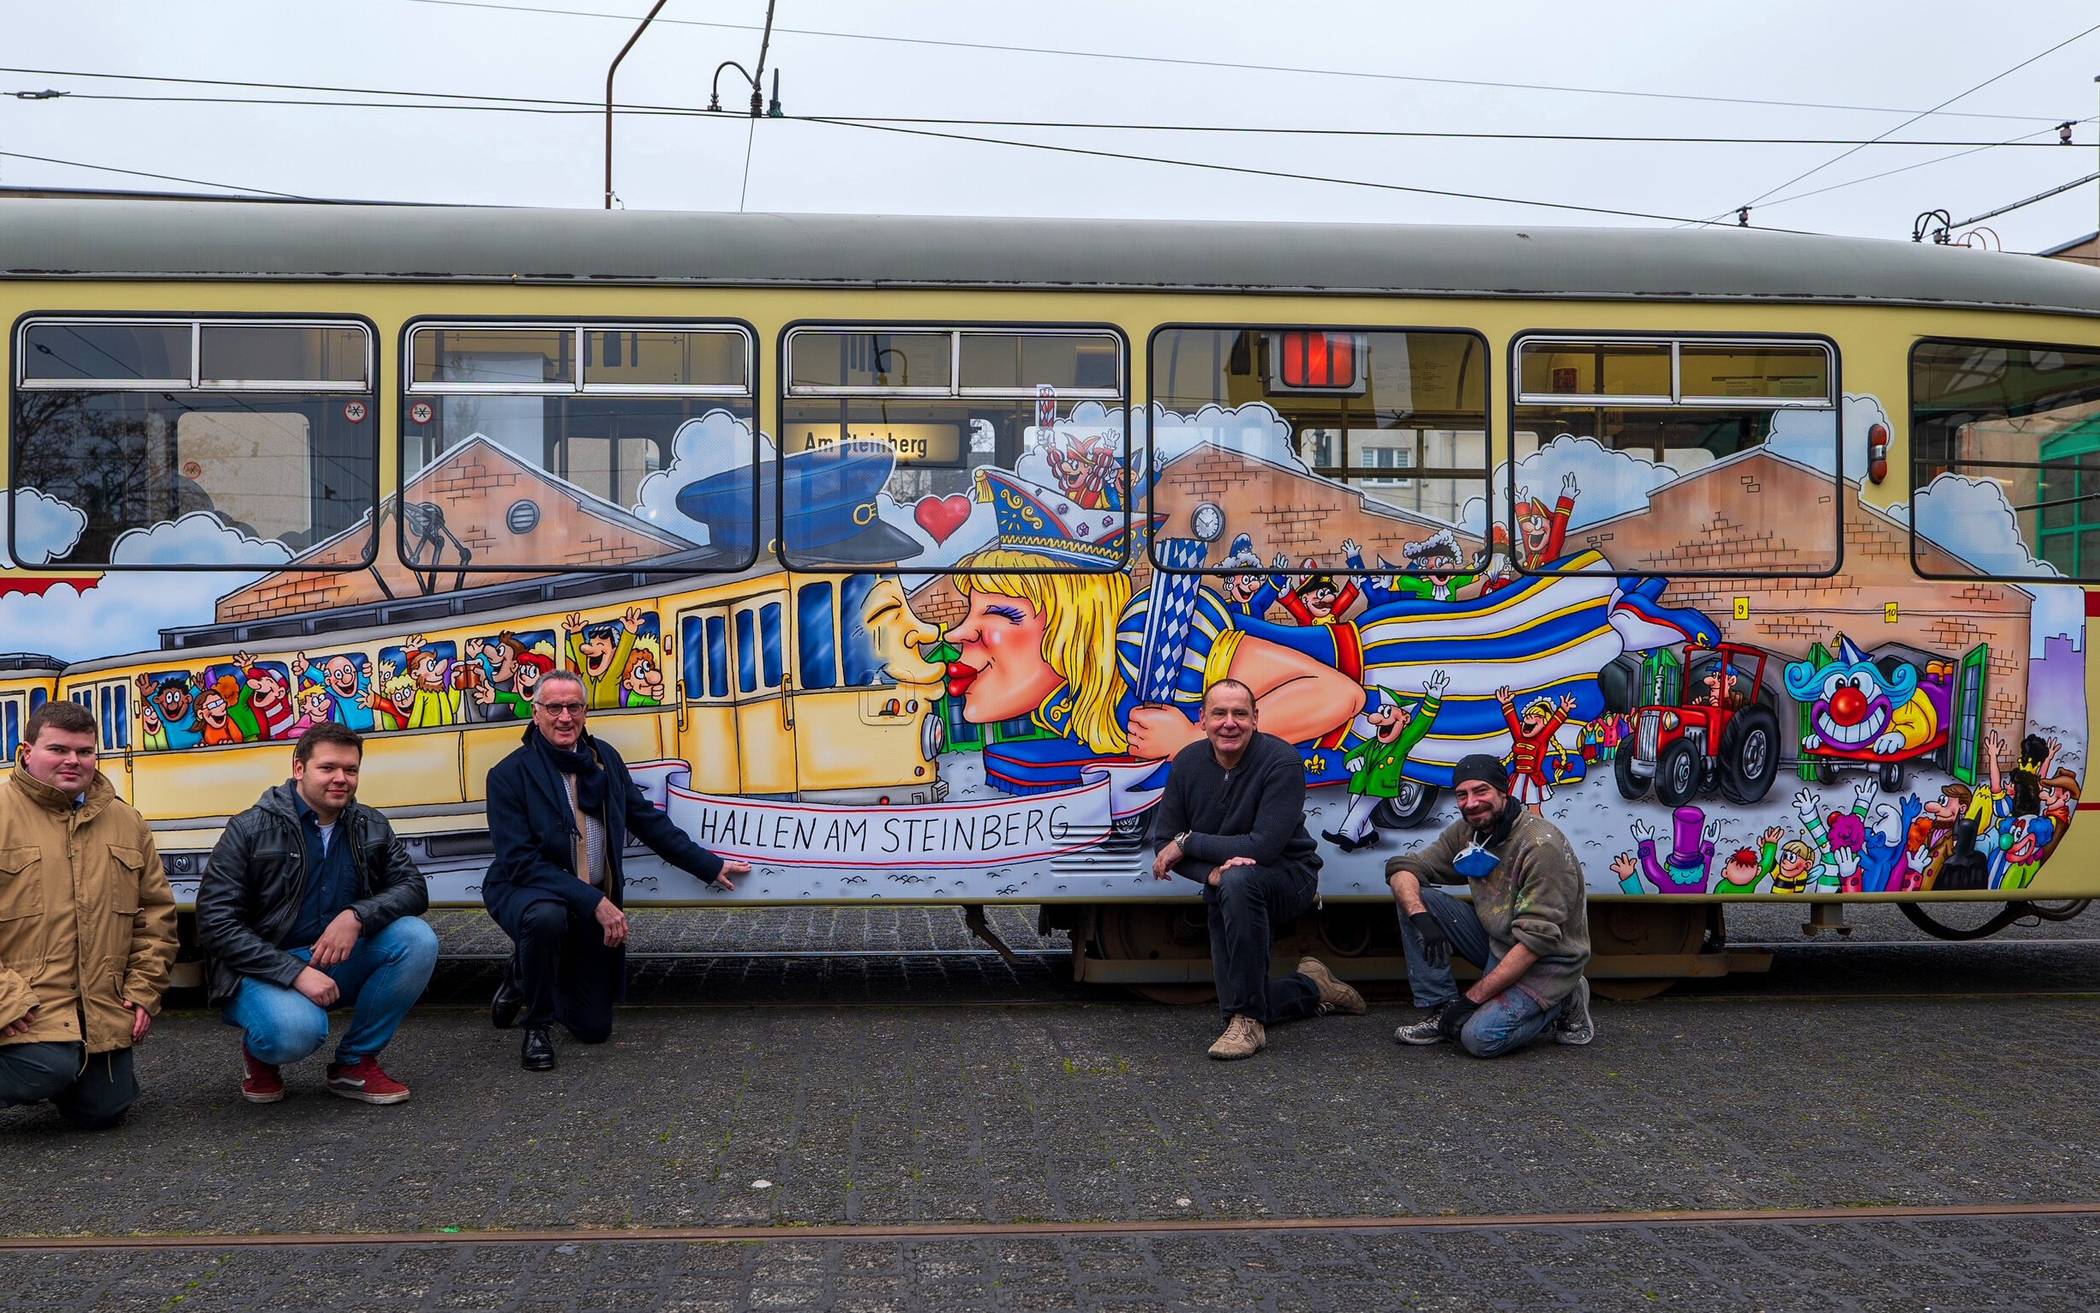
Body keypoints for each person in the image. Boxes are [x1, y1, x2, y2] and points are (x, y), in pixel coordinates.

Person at [483, 670, 751, 1071]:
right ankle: (536, 1027)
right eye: (553, 707)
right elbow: (521, 862)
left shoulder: (603, 759)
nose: (564, 717)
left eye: (574, 707)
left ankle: (526, 969)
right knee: (546, 918)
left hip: (587, 901)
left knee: (594, 1029)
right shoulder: (508, 775)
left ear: (585, 712)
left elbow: (645, 820)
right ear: (535, 713)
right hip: (527, 890)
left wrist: (708, 865)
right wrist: (596, 901)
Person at [197, 723, 436, 1105]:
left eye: (351, 770)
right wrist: (294, 972)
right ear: (299, 769)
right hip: (262, 968)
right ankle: (261, 1053)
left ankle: (354, 1064)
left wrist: (357, 916)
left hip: (333, 957)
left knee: (416, 938)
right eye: (328, 768)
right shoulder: (249, 829)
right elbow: (215, 923)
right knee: (294, 1033)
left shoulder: (369, 824)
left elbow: (413, 888)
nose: (341, 779)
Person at [1148, 679, 1363, 1060]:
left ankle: (1248, 1022)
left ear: (1255, 719)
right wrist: (1207, 873)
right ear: (1202, 719)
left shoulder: (1281, 762)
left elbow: (1262, 847)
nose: (1229, 723)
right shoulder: (1187, 764)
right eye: (1219, 713)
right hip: (1229, 882)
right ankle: (1309, 987)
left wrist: (1190, 843)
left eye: (1239, 714)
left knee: (1239, 878)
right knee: (1230, 885)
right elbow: (1163, 841)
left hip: (1291, 877)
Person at [0, 702, 177, 1129]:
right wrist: (6, 998)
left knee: (104, 1108)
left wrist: (142, 991)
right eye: (58, 749)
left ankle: (64, 1070)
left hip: (100, 1006)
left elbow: (156, 916)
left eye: (84, 751)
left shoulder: (126, 821)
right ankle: (49, 1066)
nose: (72, 761)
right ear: (26, 751)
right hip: (23, 1001)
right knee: (46, 1066)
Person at [1384, 753, 1594, 1056]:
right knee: (1417, 898)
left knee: (1479, 1039)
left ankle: (1563, 1000)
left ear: (1503, 791)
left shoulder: (1539, 845)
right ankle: (1441, 1010)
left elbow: (1535, 943)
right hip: (1500, 941)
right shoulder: (1468, 831)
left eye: (1481, 791)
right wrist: (1421, 918)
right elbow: (1403, 866)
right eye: (1462, 795)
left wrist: (1469, 1001)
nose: (1471, 803)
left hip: (1545, 959)